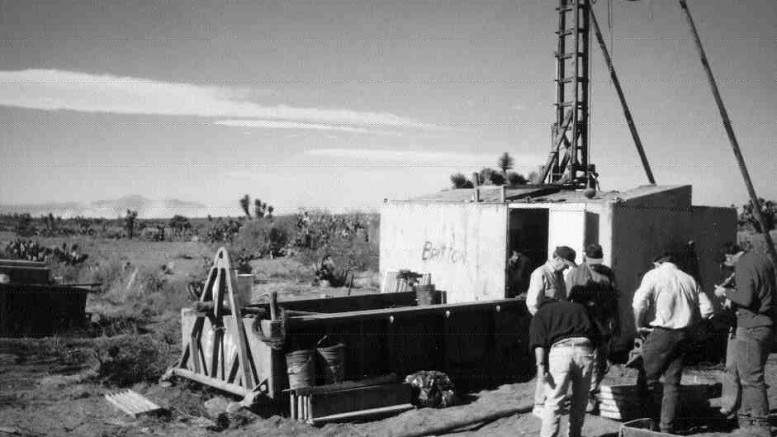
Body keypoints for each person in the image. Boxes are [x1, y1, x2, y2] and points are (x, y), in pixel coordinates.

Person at [632, 252, 715, 434]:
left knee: (646, 380)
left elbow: (639, 303)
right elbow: (708, 310)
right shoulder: (689, 279)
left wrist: (638, 325)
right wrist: (693, 324)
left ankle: (648, 425)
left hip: (661, 333)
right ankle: (666, 428)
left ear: (657, 263)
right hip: (683, 335)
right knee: (672, 384)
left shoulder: (654, 275)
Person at [714, 243, 775, 436]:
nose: (730, 268)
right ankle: (748, 423)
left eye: (727, 263)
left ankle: (761, 426)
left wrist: (725, 293)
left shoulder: (742, 265)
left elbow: (746, 298)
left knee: (751, 379)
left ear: (729, 256)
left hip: (750, 325)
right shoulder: (763, 259)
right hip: (767, 324)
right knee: (749, 376)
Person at [529, 290, 598, 437]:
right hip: (585, 351)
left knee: (554, 402)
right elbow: (600, 339)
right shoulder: (579, 308)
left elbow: (539, 343)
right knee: (580, 402)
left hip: (561, 352)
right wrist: (602, 363)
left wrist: (540, 365)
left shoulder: (541, 313)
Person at [566, 243, 620, 413]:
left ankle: (591, 389)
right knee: (583, 360)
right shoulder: (574, 274)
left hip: (602, 323)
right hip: (583, 324)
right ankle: (584, 394)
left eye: (597, 262)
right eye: (592, 262)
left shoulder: (607, 274)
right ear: (585, 258)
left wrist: (616, 321)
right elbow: (568, 303)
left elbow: (614, 300)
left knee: (601, 360)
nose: (595, 266)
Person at [526, 246, 577, 416]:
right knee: (543, 364)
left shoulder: (559, 276)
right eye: (566, 264)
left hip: (557, 328)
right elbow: (532, 303)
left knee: (554, 363)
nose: (566, 268)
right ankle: (539, 405)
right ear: (558, 259)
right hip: (544, 327)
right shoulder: (540, 274)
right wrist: (545, 322)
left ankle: (550, 400)